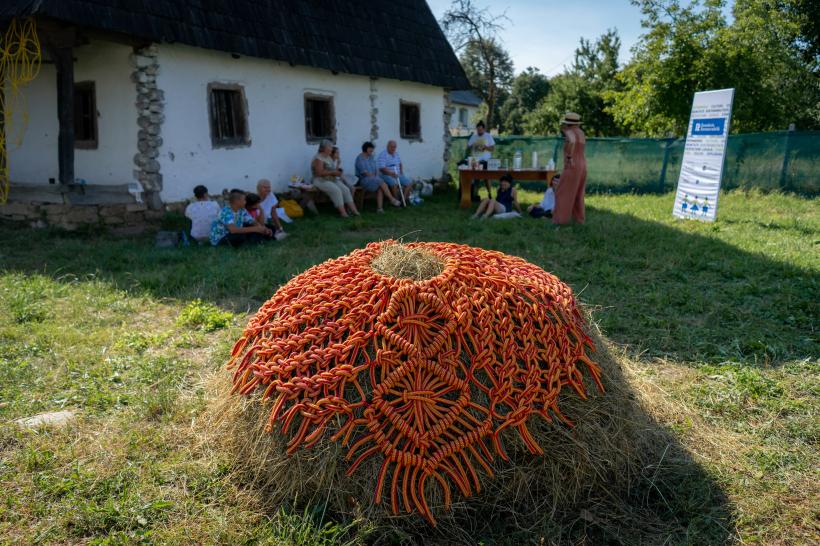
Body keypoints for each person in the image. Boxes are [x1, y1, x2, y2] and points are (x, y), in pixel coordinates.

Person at [553, 112, 587, 225]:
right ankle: (579, 220)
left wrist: (569, 157)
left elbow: (572, 141)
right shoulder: (581, 132)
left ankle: (560, 220)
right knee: (578, 193)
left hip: (572, 164)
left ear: (567, 123)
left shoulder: (569, 132)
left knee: (562, 192)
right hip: (582, 164)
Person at [311, 140, 360, 217]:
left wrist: (337, 172)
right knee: (336, 190)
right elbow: (319, 173)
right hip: (320, 180)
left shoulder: (328, 157)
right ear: (324, 148)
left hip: (331, 179)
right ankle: (343, 213)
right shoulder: (319, 158)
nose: (331, 148)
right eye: (330, 147)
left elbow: (332, 170)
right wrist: (333, 173)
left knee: (346, 189)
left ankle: (355, 211)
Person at [355, 141, 401, 213]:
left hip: (373, 179)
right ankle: (392, 199)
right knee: (380, 181)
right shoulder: (360, 159)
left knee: (380, 186)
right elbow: (364, 173)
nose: (372, 151)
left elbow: (375, 169)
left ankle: (379, 209)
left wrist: (375, 176)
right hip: (364, 180)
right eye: (371, 150)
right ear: (367, 149)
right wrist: (375, 176)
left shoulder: (370, 158)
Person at [467, 121, 495, 200]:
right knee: (476, 178)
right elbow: (468, 147)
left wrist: (485, 147)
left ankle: (490, 194)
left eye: (480, 130)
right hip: (476, 160)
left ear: (484, 129)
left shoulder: (488, 136)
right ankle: (475, 195)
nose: (479, 132)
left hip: (485, 160)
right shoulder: (474, 136)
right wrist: (473, 146)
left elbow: (493, 148)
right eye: (478, 130)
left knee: (487, 178)